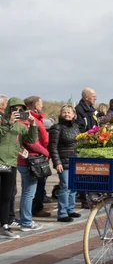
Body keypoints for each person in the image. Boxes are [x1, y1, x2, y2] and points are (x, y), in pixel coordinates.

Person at [0, 97, 40, 238]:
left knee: (7, 196)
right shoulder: (2, 122)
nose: (17, 112)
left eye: (20, 110)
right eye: (14, 109)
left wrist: (33, 125)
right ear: (8, 109)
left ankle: (4, 225)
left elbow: (31, 140)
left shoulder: (20, 126)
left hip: (10, 163)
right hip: (0, 161)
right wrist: (9, 124)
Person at [48, 105, 81, 222]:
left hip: (75, 160)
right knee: (65, 186)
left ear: (73, 115)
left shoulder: (76, 127)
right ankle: (62, 213)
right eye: (64, 112)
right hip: (63, 161)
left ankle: (70, 209)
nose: (67, 114)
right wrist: (57, 162)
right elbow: (52, 146)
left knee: (73, 187)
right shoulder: (56, 128)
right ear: (61, 114)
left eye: (69, 112)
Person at [24, 96, 52, 219]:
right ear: (35, 105)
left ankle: (37, 207)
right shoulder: (30, 119)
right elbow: (32, 141)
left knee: (40, 184)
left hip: (41, 154)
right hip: (35, 156)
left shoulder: (38, 118)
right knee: (32, 188)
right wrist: (45, 152)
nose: (42, 106)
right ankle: (32, 212)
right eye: (40, 104)